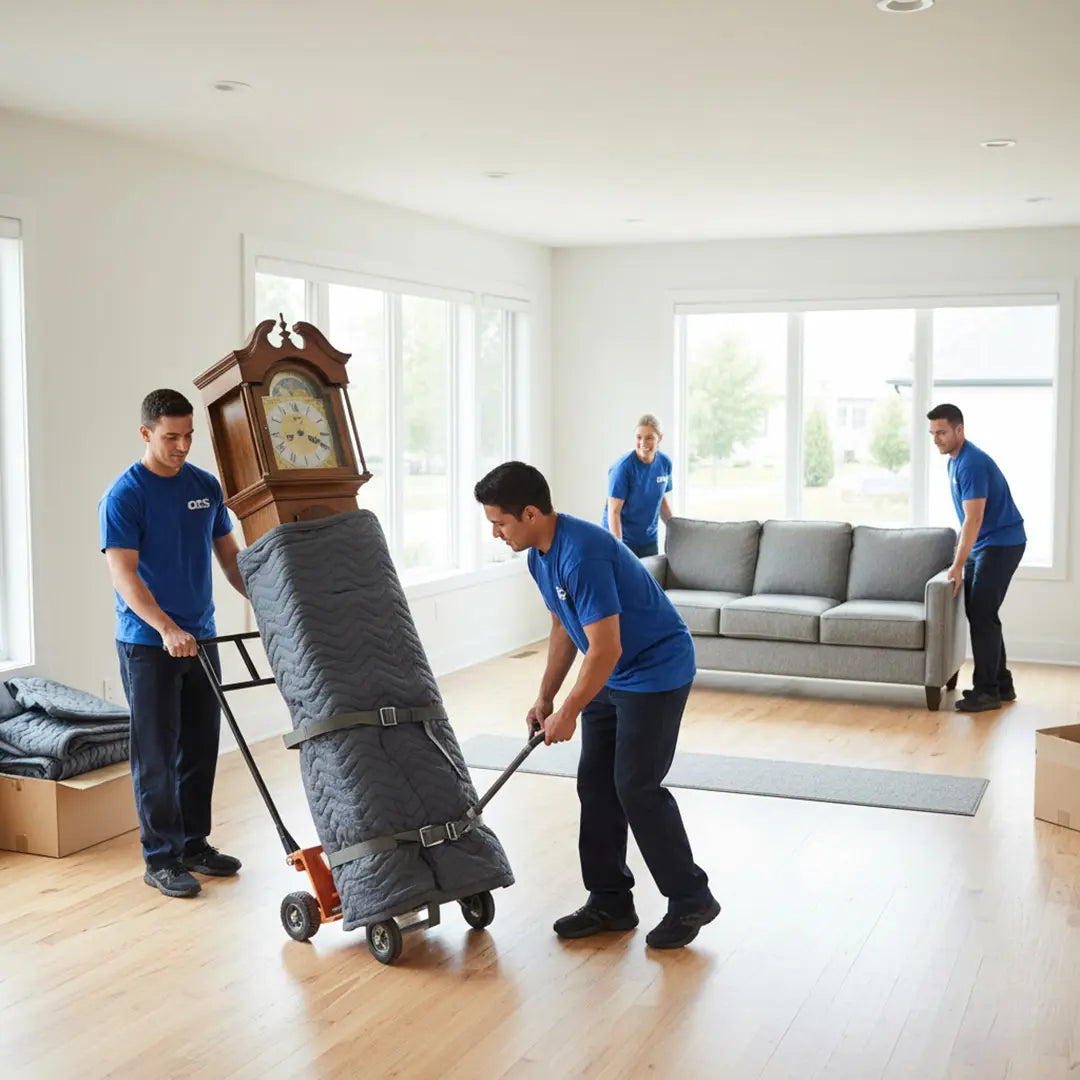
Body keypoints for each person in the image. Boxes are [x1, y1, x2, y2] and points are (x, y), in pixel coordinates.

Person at [475, 461, 719, 949]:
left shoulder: (581, 553)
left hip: (654, 669)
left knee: (636, 785)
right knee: (596, 782)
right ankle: (610, 900)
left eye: (499, 524)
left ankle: (692, 897)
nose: (496, 534)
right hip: (613, 671)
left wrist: (569, 712)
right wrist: (546, 697)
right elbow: (566, 626)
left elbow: (605, 647)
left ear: (528, 513)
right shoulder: (539, 556)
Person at [99, 389, 247, 898]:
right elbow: (123, 574)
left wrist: (268, 605)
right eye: (170, 437)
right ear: (146, 433)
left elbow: (230, 560)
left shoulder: (205, 486)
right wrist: (165, 628)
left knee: (202, 745)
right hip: (149, 642)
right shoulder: (125, 494)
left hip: (201, 635)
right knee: (157, 753)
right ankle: (160, 857)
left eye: (188, 436)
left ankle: (193, 844)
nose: (182, 445)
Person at [928, 403, 1026, 713]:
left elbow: (974, 519)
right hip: (986, 543)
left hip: (1002, 543)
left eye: (942, 432)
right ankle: (1002, 683)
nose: (937, 439)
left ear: (960, 430)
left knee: (982, 613)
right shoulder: (954, 461)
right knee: (982, 612)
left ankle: (987, 692)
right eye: (933, 433)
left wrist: (958, 563)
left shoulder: (972, 463)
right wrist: (963, 558)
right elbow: (969, 522)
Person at [601, 413, 674, 558]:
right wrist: (619, 549)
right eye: (639, 437)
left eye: (649, 438)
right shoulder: (623, 468)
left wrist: (676, 528)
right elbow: (614, 512)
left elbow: (661, 499)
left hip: (648, 539)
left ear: (659, 438)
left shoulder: (664, 463)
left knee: (648, 578)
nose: (643, 443)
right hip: (622, 538)